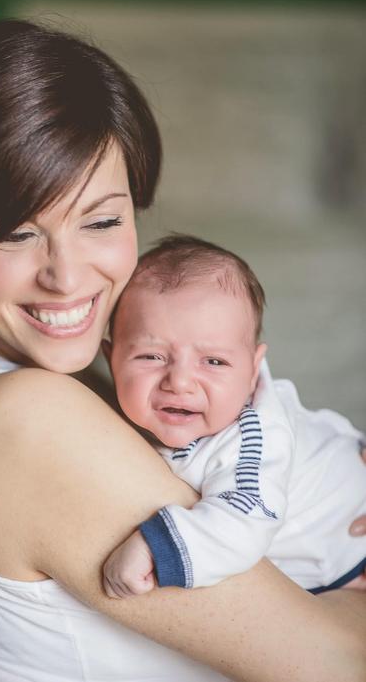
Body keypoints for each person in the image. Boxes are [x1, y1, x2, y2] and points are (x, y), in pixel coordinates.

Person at [0, 19, 365, 682]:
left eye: (101, 221)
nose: (68, 277)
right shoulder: (21, 418)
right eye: (14, 232)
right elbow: (341, 662)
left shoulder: (76, 368)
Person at [102, 235, 366, 598]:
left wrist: (153, 548)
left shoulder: (251, 441)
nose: (179, 382)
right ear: (110, 358)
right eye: (151, 356)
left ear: (253, 370)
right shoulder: (102, 411)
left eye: (213, 361)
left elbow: (244, 519)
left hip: (348, 540)